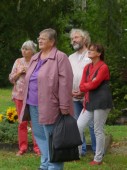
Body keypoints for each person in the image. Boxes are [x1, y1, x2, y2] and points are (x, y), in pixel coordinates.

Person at [20, 28, 73, 170]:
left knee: (52, 138)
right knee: (39, 136)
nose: (39, 40)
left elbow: (65, 83)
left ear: (52, 41)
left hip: (51, 105)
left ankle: (54, 166)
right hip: (33, 104)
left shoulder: (60, 57)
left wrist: (64, 106)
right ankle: (45, 165)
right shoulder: (36, 57)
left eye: (43, 38)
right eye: (39, 37)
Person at [78, 43, 113, 165]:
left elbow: (94, 84)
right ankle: (77, 154)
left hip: (102, 101)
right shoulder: (87, 67)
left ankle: (98, 159)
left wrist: (88, 85)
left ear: (99, 53)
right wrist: (88, 85)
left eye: (92, 50)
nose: (89, 51)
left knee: (98, 129)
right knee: (79, 125)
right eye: (89, 50)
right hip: (90, 100)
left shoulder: (103, 67)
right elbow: (82, 86)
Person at [9, 40, 40, 156]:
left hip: (33, 96)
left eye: (26, 49)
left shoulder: (36, 62)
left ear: (32, 51)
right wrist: (19, 73)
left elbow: (41, 79)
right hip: (19, 95)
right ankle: (22, 147)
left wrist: (29, 73)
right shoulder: (18, 61)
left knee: (34, 122)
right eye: (22, 48)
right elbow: (11, 79)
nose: (24, 51)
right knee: (22, 122)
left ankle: (38, 148)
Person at [69, 28, 96, 156]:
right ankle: (82, 150)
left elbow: (95, 76)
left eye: (76, 37)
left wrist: (84, 91)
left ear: (84, 39)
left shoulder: (91, 55)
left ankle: (96, 150)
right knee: (77, 124)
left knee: (92, 124)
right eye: (72, 38)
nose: (73, 40)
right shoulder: (70, 57)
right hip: (74, 96)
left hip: (89, 95)